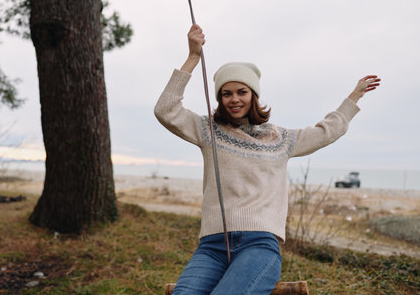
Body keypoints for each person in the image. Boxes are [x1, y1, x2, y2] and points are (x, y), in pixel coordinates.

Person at [154, 24, 380, 295]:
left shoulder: (281, 139)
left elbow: (326, 132)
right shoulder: (208, 131)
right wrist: (192, 57)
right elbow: (165, 109)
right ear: (219, 98)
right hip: (212, 246)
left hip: (259, 246)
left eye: (242, 92)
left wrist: (353, 97)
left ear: (253, 96)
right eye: (226, 93)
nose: (234, 99)